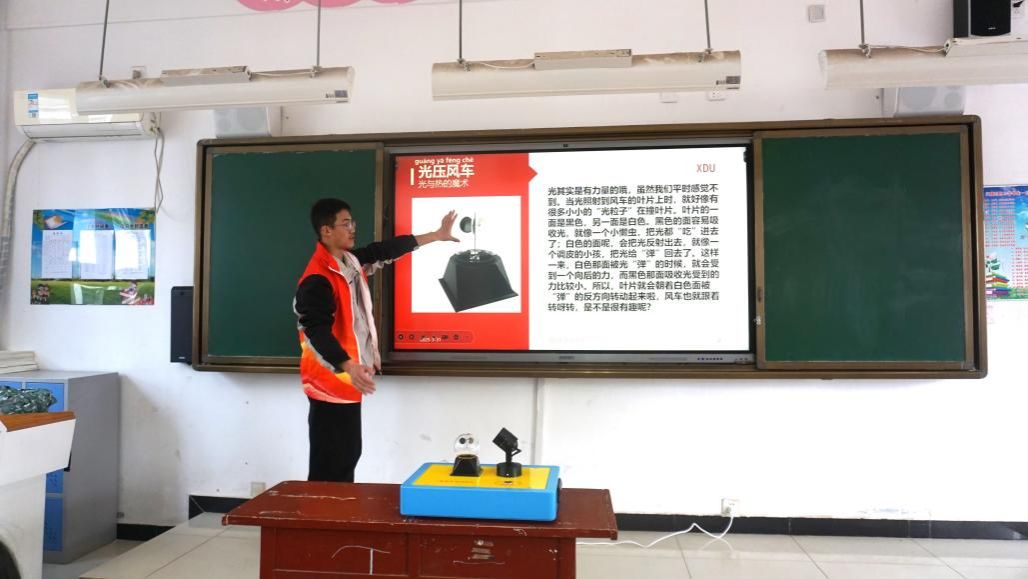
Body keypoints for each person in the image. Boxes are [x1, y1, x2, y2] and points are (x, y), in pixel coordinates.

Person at [294, 198, 458, 482]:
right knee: (330, 461)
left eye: (352, 222)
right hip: (329, 382)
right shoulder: (317, 278)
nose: (353, 228)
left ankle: (338, 507)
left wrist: (436, 235)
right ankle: (323, 509)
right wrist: (348, 365)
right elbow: (316, 331)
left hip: (347, 380)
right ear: (326, 230)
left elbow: (383, 250)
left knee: (347, 454)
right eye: (346, 223)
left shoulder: (349, 262)